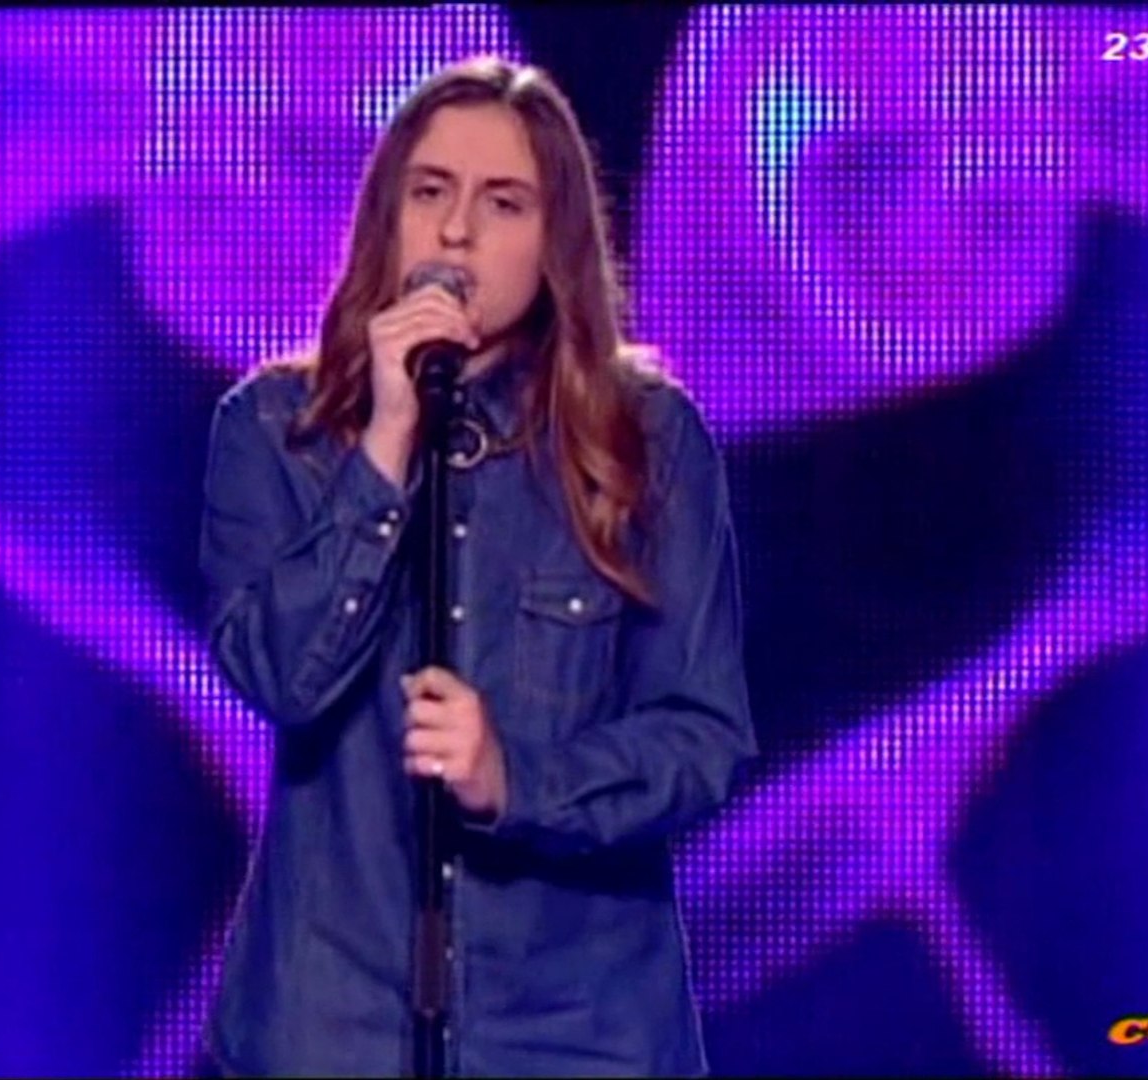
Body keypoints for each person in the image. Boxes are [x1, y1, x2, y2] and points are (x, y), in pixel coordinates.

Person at [195, 54, 758, 1078]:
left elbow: (702, 739)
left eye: (503, 203)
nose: (455, 232)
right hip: (331, 1030)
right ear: (386, 217)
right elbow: (278, 675)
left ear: (554, 242)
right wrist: (386, 445)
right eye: (429, 193)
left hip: (576, 1035)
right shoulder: (276, 430)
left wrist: (515, 780)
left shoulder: (648, 440)